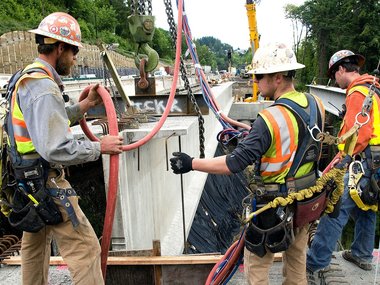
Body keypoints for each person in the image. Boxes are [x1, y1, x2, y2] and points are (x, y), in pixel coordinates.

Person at [170, 42, 325, 285]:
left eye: (258, 76)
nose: (255, 82)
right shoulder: (316, 104)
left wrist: (191, 163)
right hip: (307, 201)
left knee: (256, 268)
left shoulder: (269, 119)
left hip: (273, 208)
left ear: (277, 78)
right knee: (297, 266)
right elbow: (298, 141)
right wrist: (256, 136)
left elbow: (233, 163)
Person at [6, 12, 123, 285]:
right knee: (86, 249)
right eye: (74, 52)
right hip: (47, 181)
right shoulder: (44, 88)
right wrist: (99, 148)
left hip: (26, 182)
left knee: (34, 248)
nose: (75, 58)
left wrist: (82, 107)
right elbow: (55, 147)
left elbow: (45, 123)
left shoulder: (25, 78)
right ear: (60, 47)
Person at [306, 50, 380, 282]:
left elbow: (360, 133)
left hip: (364, 160)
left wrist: (342, 157)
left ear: (340, 69)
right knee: (367, 205)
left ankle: (315, 263)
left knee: (334, 209)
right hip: (375, 161)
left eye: (333, 75)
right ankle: (362, 254)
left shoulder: (358, 92)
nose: (334, 81)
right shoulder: (373, 89)